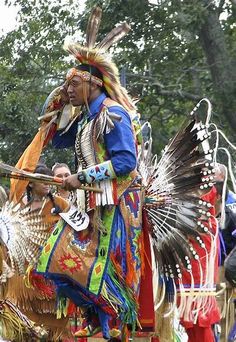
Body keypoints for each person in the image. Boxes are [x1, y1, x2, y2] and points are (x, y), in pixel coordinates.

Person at [34, 9, 147, 340]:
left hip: (119, 206)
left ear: (93, 83)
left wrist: (79, 178)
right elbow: (52, 132)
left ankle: (108, 318)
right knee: (54, 259)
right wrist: (57, 102)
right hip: (92, 203)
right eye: (67, 84)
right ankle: (94, 312)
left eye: (74, 84)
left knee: (101, 269)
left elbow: (126, 161)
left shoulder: (113, 114)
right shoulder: (84, 119)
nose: (69, 89)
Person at [6, 164, 70, 340]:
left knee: (51, 328)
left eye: (49, 180)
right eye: (42, 180)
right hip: (22, 277)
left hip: (51, 273)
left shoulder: (60, 204)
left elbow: (77, 231)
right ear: (31, 183)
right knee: (23, 326)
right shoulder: (19, 205)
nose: (47, 184)